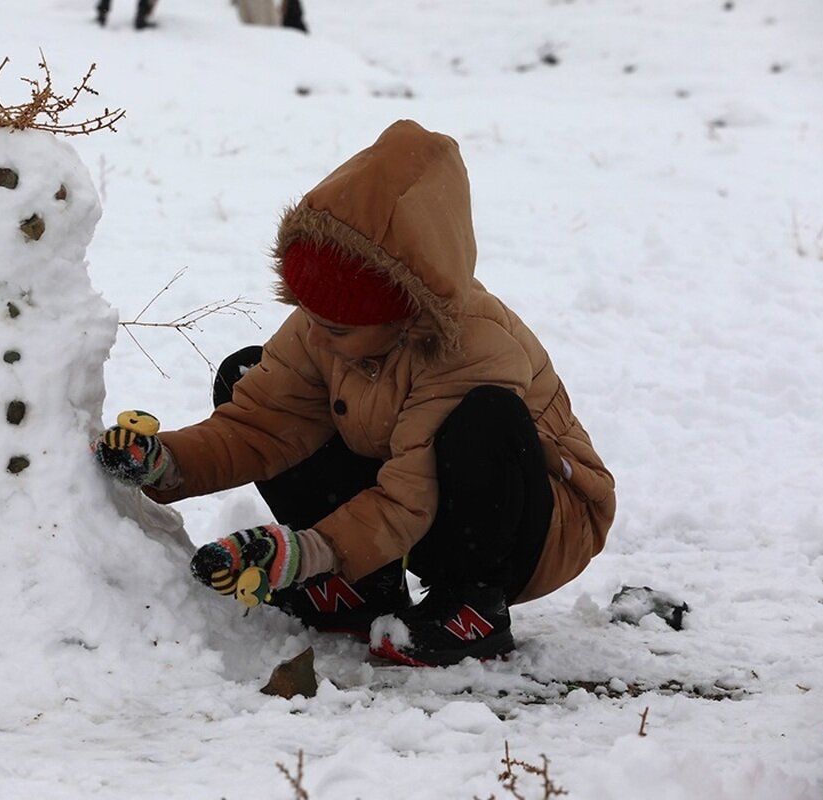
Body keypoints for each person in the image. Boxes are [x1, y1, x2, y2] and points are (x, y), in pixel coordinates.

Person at [92, 120, 616, 667]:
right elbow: (262, 424)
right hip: (406, 487)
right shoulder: (326, 325)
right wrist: (164, 461)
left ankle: (473, 605)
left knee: (483, 418)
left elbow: (411, 495)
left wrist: (303, 553)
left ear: (401, 316)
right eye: (307, 315)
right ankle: (360, 589)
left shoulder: (474, 349)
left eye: (337, 329)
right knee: (246, 372)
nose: (315, 336)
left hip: (536, 520)